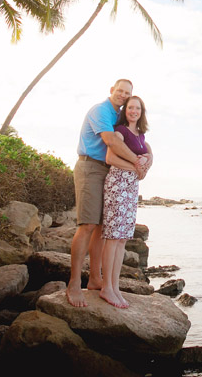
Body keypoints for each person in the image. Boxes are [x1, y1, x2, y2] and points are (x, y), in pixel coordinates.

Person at [68, 79, 149, 308]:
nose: (123, 95)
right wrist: (137, 163)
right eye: (120, 91)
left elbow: (139, 139)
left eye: (128, 93)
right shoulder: (101, 110)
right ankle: (74, 284)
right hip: (91, 167)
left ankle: (96, 279)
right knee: (87, 225)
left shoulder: (120, 115)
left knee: (104, 228)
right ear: (111, 91)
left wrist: (148, 159)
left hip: (110, 172)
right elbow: (111, 141)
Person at [99, 95, 152, 308]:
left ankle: (115, 286)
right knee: (113, 237)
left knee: (122, 239)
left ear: (141, 112)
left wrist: (148, 161)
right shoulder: (119, 131)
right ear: (125, 110)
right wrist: (137, 167)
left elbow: (148, 154)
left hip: (131, 188)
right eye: (130, 107)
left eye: (137, 108)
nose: (133, 111)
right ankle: (106, 288)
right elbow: (110, 158)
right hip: (118, 184)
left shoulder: (141, 136)